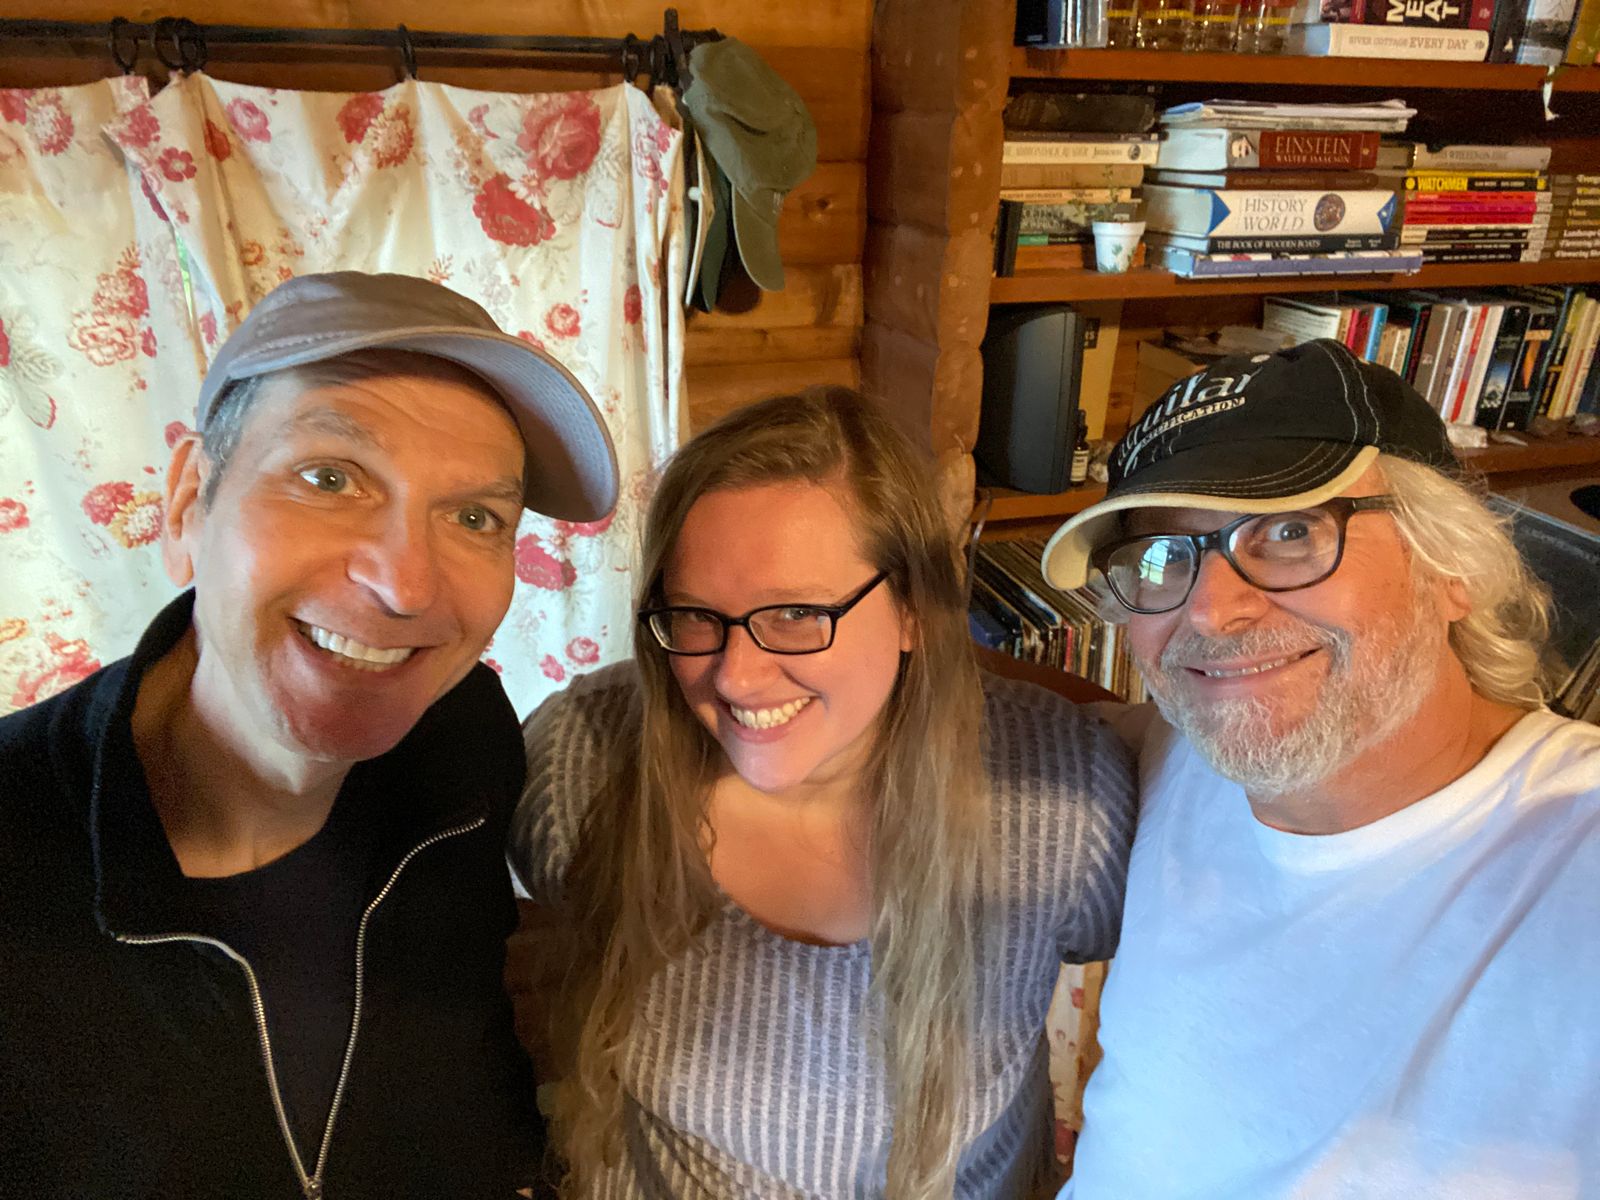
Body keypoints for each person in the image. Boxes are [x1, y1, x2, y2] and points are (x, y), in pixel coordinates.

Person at [0, 271, 618, 1199]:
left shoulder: (463, 741)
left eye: (475, 517)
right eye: (329, 477)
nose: (405, 585)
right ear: (189, 502)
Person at [512, 387, 1137, 1199]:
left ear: (914, 609)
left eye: (797, 614)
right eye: (696, 615)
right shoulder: (584, 765)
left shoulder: (1060, 804)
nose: (736, 677)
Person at [1039, 338, 1600, 1199]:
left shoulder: (1571, 850)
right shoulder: (1179, 757)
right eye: (1163, 557)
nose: (1212, 612)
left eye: (1290, 532)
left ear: (1450, 563)